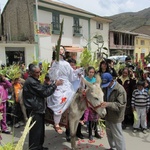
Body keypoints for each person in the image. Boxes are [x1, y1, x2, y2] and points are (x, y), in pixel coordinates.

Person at [23, 64, 63, 150]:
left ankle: (39, 146)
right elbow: (44, 93)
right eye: (37, 72)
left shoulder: (34, 80)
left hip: (38, 109)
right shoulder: (31, 82)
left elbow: (42, 88)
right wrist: (55, 85)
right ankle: (34, 148)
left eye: (39, 71)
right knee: (35, 131)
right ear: (30, 73)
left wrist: (49, 85)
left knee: (40, 131)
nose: (39, 73)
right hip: (34, 110)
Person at [47, 48, 83, 134]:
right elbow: (51, 76)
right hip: (58, 84)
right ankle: (56, 123)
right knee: (57, 98)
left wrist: (78, 72)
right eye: (58, 50)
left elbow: (72, 76)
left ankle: (78, 117)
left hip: (67, 85)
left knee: (75, 96)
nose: (60, 51)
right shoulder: (54, 63)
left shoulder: (67, 64)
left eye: (62, 49)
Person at [101, 73, 127, 150]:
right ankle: (113, 147)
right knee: (109, 134)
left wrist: (107, 104)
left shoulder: (120, 89)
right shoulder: (105, 88)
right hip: (108, 115)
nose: (107, 86)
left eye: (108, 84)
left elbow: (120, 105)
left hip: (116, 116)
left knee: (117, 136)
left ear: (112, 81)